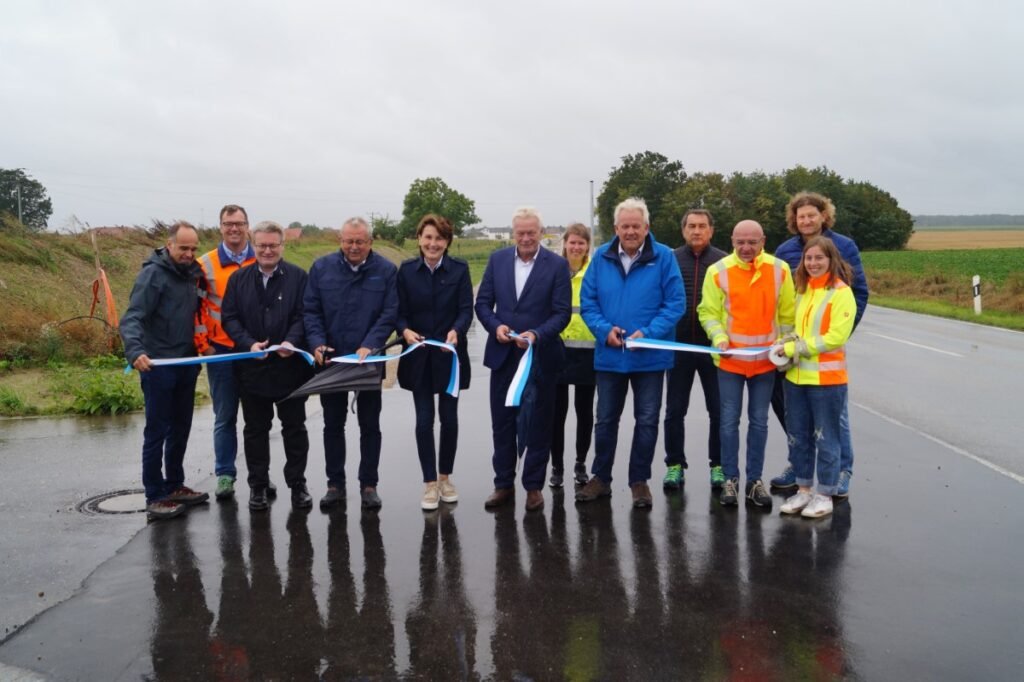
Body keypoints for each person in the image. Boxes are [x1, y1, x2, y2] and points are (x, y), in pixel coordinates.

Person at [577, 197, 685, 509]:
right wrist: (602, 329)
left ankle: (639, 481)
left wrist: (647, 334)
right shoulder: (600, 257)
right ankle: (600, 478)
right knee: (605, 420)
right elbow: (589, 302)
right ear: (615, 228)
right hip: (610, 356)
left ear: (646, 227)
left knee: (647, 420)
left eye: (636, 225)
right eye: (625, 226)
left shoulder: (663, 257)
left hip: (649, 356)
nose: (630, 231)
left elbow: (675, 303)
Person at [769, 192, 868, 498]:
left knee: (832, 419)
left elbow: (859, 291)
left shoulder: (844, 246)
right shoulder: (785, 250)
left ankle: (841, 470)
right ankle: (800, 467)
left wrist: (836, 336)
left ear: (824, 216)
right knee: (796, 417)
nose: (807, 220)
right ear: (793, 220)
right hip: (793, 352)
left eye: (812, 214)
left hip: (824, 351)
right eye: (801, 216)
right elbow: (781, 297)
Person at [475, 207, 571, 512]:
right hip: (503, 356)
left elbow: (562, 313)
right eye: (521, 233)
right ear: (513, 233)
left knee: (540, 425)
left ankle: (533, 486)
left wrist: (536, 334)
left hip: (540, 357)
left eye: (532, 232)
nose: (526, 238)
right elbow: (482, 304)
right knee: (502, 424)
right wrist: (495, 327)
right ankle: (503, 484)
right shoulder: (497, 260)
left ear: (541, 233)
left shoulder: (556, 265)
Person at [698, 220, 795, 510]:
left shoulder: (780, 269)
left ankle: (755, 481)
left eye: (752, 242)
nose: (746, 248)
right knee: (728, 422)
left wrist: (785, 347)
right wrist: (718, 337)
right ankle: (731, 479)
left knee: (759, 422)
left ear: (763, 240)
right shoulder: (717, 271)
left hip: (765, 363)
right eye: (740, 242)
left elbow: (787, 313)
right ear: (732, 239)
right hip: (730, 362)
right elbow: (708, 312)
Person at [304, 217, 398, 510]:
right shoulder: (321, 269)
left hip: (368, 359)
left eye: (360, 241)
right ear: (340, 241)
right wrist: (317, 342)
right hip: (331, 359)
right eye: (348, 241)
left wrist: (371, 344)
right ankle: (335, 485)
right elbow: (311, 310)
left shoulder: (385, 271)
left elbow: (390, 312)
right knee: (333, 424)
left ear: (370, 242)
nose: (354, 247)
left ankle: (369, 485)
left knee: (370, 424)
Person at [221, 220, 315, 512]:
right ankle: (258, 486)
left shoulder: (299, 278)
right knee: (255, 430)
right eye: (262, 245)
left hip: (290, 370)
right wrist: (248, 344)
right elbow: (230, 318)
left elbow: (305, 314)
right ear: (254, 244)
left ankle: (297, 484)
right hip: (253, 370)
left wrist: (292, 340)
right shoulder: (239, 280)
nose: (267, 250)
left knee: (295, 429)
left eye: (273, 245)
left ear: (282, 246)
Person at [121, 221, 210, 520]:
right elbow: (133, 317)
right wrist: (135, 351)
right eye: (183, 248)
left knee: (181, 428)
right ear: (169, 245)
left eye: (193, 248)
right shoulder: (153, 275)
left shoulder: (192, 275)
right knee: (156, 431)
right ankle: (155, 495)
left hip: (186, 363)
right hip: (158, 365)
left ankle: (175, 484)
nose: (189, 253)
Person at [396, 214, 473, 510]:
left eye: (439, 238)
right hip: (418, 358)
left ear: (447, 242)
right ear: (419, 239)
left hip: (449, 356)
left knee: (450, 420)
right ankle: (429, 483)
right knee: (424, 421)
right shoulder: (405, 272)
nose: (433, 243)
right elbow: (398, 311)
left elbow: (466, 309)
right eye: (428, 237)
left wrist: (457, 330)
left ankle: (445, 478)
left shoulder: (460, 270)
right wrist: (404, 330)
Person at [775, 236, 856, 518]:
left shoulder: (841, 292)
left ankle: (825, 494)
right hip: (796, 378)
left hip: (827, 381)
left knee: (826, 438)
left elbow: (836, 336)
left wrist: (797, 347)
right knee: (798, 436)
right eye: (809, 259)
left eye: (819, 258)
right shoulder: (802, 290)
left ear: (831, 260)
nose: (813, 263)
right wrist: (781, 344)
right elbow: (793, 327)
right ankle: (804, 489)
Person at [662, 209, 728, 491]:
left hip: (713, 348)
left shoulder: (725, 262)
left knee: (719, 410)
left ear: (711, 230)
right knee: (675, 410)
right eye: (691, 226)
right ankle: (675, 465)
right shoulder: (671, 260)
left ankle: (718, 465)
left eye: (702, 226)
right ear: (683, 230)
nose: (697, 231)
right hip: (677, 346)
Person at [195, 204, 256, 502]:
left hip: (255, 351)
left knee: (258, 417)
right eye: (228, 223)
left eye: (240, 223)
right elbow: (196, 307)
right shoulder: (203, 264)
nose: (234, 228)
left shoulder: (262, 257)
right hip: (221, 352)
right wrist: (204, 344)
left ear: (248, 226)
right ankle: (224, 475)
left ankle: (261, 477)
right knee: (225, 416)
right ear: (220, 226)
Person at [552, 223, 597, 488]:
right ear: (565, 244)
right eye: (572, 242)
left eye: (581, 243)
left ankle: (580, 463)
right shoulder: (554, 270)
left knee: (584, 412)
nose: (576, 247)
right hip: (557, 349)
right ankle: (556, 466)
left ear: (587, 246)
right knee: (556, 413)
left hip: (587, 352)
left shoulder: (595, 271)